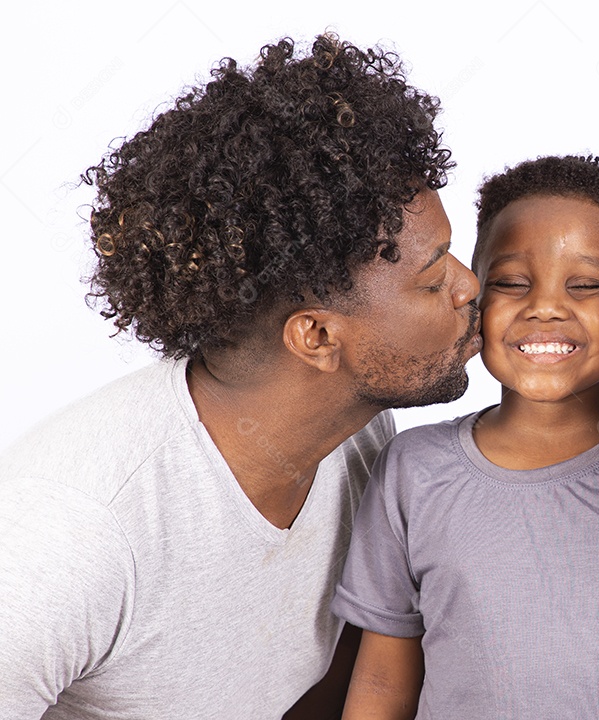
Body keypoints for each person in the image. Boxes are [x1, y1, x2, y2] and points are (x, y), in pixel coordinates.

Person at [0, 34, 482, 719]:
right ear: (315, 336)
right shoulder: (74, 533)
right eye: (433, 281)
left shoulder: (362, 439)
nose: (471, 287)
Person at [329, 155, 599, 718]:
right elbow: (380, 688)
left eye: (586, 285)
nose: (545, 308)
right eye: (512, 283)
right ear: (476, 299)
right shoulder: (411, 469)